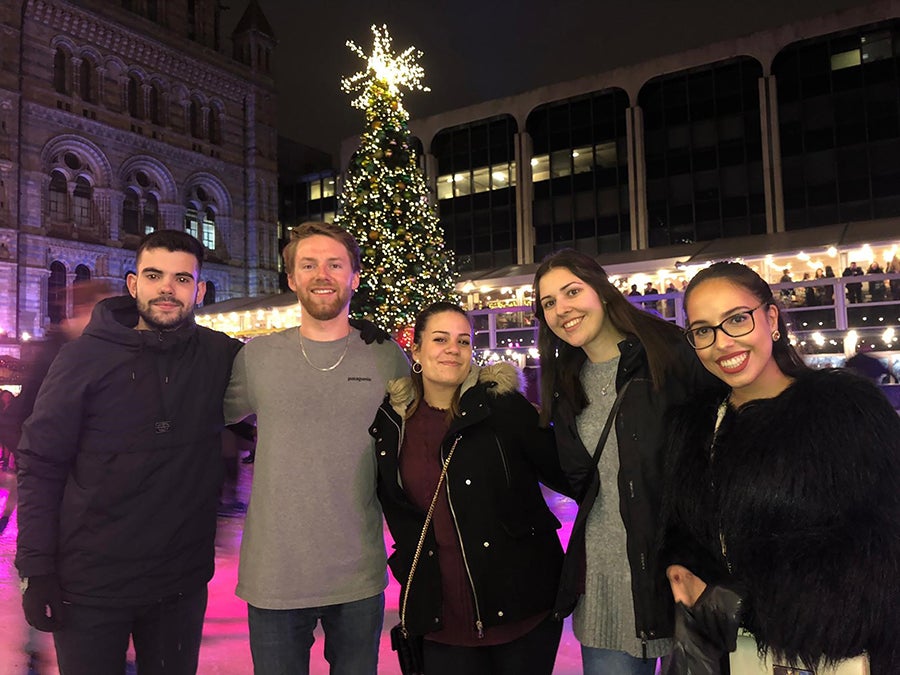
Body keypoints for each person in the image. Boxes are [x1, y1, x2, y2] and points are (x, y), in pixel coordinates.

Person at [15, 230, 243, 675]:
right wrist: (36, 569)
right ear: (133, 283)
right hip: (90, 586)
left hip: (178, 584)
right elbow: (41, 463)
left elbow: (285, 367)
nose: (167, 289)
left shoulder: (219, 355)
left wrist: (347, 331)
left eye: (181, 279)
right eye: (154, 275)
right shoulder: (82, 358)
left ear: (198, 290)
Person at [662, 261, 900, 674]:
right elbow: (686, 528)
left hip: (832, 651)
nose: (722, 343)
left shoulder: (845, 411)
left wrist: (744, 601)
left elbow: (883, 545)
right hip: (730, 654)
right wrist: (680, 566)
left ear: (771, 318)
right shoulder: (695, 425)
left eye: (736, 319)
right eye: (703, 330)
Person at [224, 221, 409, 675]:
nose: (321, 274)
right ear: (291, 279)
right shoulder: (258, 356)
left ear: (354, 278)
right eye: (308, 265)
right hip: (274, 575)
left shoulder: (384, 355)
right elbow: (199, 418)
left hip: (357, 572)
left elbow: (426, 426)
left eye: (334, 264)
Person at [532, 249, 721, 675]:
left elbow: (716, 446)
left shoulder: (669, 353)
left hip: (680, 575)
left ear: (600, 289)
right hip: (604, 585)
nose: (562, 309)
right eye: (548, 303)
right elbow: (578, 476)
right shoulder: (564, 383)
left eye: (571, 291)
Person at [370, 301, 566, 674]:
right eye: (440, 339)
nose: (453, 350)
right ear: (416, 349)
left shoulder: (502, 406)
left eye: (463, 341)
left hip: (521, 607)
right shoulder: (393, 421)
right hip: (441, 615)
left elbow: (566, 471)